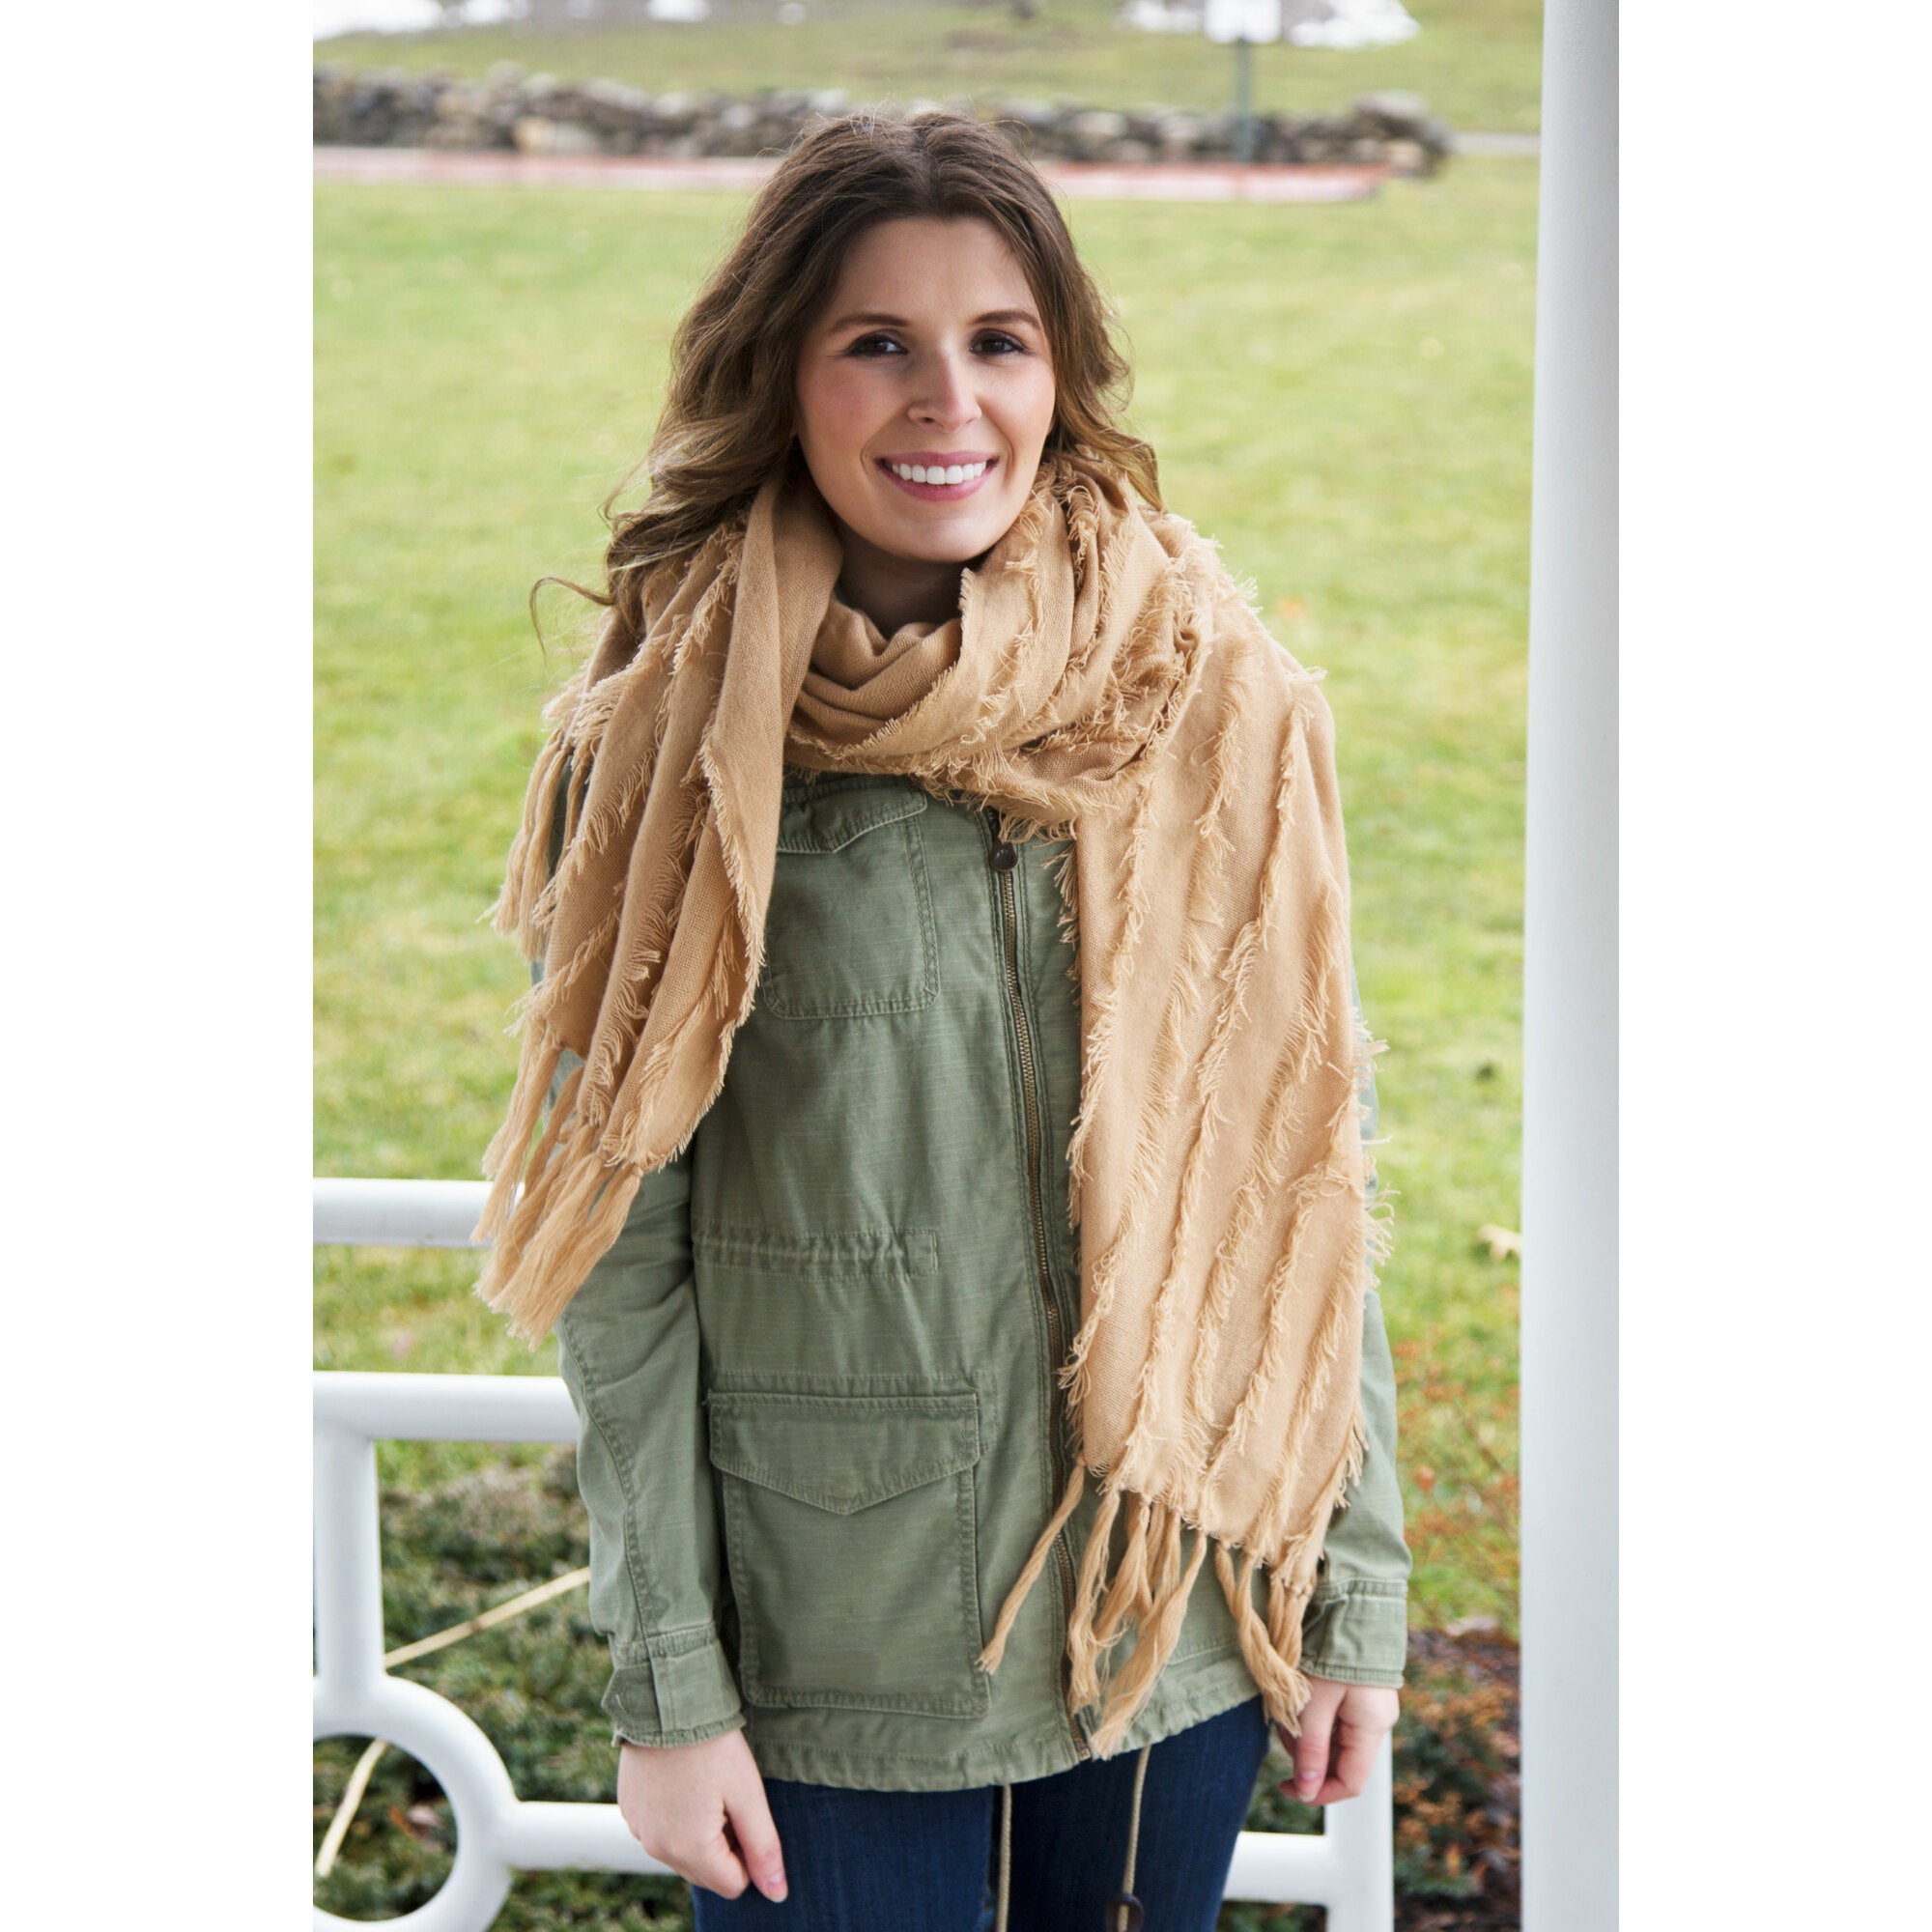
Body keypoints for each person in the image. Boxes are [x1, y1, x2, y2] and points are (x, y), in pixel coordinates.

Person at [476, 111, 1411, 1932]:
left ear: (1061, 373)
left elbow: (1302, 1163)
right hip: (832, 1655)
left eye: (998, 341)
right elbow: (621, 1259)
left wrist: (1353, 1586)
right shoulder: (667, 746)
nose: (947, 402)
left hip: (1172, 1614)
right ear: (784, 373)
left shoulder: (1206, 694)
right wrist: (669, 1691)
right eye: (877, 343)